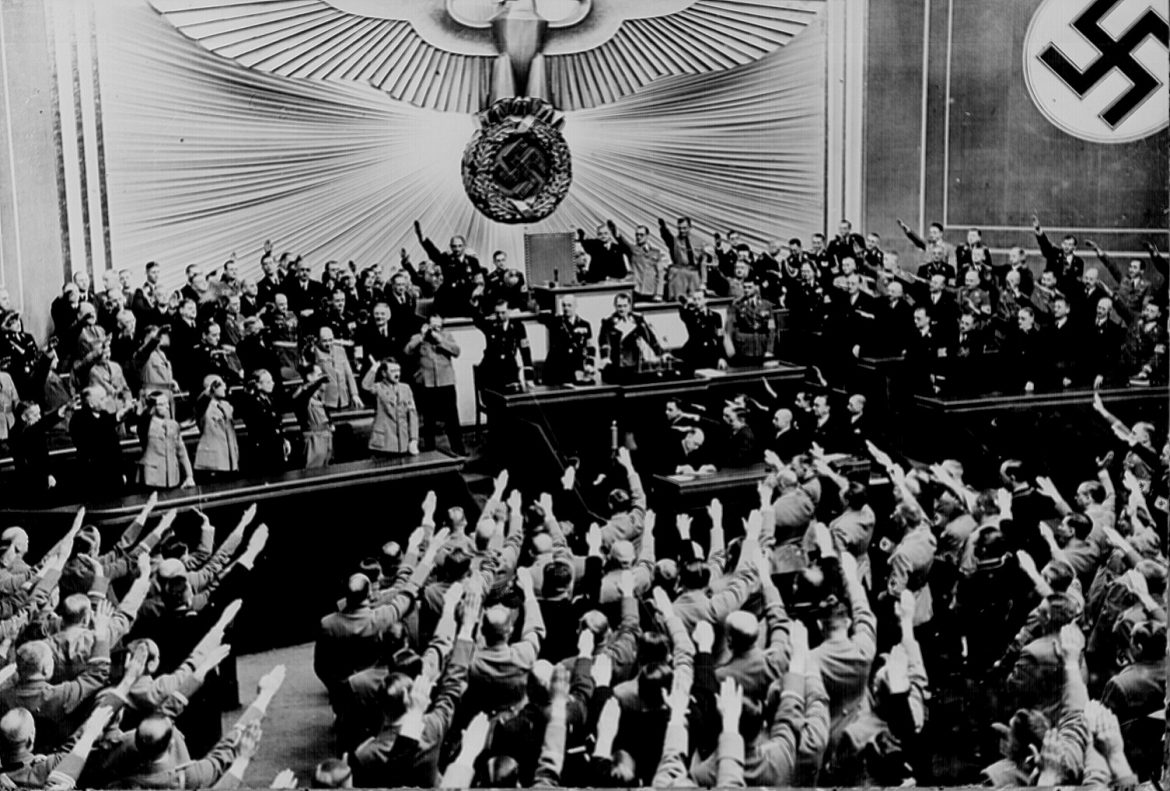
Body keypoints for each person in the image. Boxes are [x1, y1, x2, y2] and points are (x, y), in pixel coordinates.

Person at [404, 314, 464, 455]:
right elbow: (407, 351)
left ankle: (458, 449)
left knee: (452, 418)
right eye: (433, 327)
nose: (435, 330)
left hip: (446, 381)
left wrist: (441, 341)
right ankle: (430, 451)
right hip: (427, 383)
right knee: (428, 419)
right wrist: (421, 337)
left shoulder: (447, 336)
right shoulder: (419, 337)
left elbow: (457, 352)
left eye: (438, 327)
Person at [597, 293, 666, 382]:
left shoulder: (638, 320)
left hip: (635, 365)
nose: (622, 309)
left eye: (625, 306)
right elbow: (604, 342)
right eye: (619, 306)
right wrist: (605, 357)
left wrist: (661, 353)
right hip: (617, 366)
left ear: (629, 306)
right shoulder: (608, 322)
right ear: (615, 306)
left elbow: (651, 339)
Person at [137, 391, 195, 490]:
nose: (167, 407)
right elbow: (143, 419)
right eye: (162, 404)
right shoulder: (146, 424)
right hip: (152, 478)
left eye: (167, 403)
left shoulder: (173, 425)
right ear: (153, 407)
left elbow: (182, 452)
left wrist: (189, 475)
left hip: (172, 477)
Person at [362, 360, 419, 457]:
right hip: (384, 443)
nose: (397, 374)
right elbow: (366, 386)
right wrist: (374, 369)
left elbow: (412, 415)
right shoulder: (378, 387)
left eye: (398, 370)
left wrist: (413, 439)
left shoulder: (406, 388)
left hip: (403, 442)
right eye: (393, 371)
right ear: (384, 373)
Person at [474, 301, 532, 392]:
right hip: (491, 370)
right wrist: (475, 303)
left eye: (503, 312)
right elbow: (477, 320)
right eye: (497, 313)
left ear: (509, 311)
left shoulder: (518, 327)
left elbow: (525, 351)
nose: (500, 316)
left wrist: (529, 377)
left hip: (509, 369)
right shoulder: (490, 324)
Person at [238, 369, 287, 475]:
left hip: (276, 446)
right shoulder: (252, 403)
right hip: (263, 449)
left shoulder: (270, 400)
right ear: (259, 385)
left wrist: (283, 440)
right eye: (268, 382)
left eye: (272, 381)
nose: (272, 384)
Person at [538, 296, 596, 385]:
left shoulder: (585, 324)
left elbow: (590, 347)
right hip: (558, 369)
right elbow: (540, 316)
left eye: (569, 305)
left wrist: (590, 364)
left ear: (576, 306)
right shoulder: (556, 322)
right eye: (564, 305)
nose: (566, 308)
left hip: (576, 369)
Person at [193, 375, 239, 482]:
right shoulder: (203, 407)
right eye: (220, 385)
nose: (225, 387)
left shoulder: (226, 405)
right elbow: (200, 404)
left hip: (230, 460)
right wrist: (209, 391)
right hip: (212, 462)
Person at [724, 277, 775, 365]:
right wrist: (730, 346)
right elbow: (730, 328)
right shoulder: (737, 306)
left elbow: (771, 329)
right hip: (744, 348)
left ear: (756, 287)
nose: (746, 290)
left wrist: (769, 349)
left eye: (749, 287)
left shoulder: (766, 306)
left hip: (761, 347)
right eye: (745, 287)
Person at [308, 326, 361, 410]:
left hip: (343, 398)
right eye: (324, 341)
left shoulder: (341, 350)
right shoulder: (314, 352)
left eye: (330, 340)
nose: (328, 344)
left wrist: (354, 394)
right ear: (319, 341)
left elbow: (349, 374)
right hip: (325, 399)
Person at [678, 290, 726, 370]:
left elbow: (720, 337)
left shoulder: (716, 316)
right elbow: (683, 314)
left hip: (710, 352)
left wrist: (721, 357)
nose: (696, 302)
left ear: (706, 300)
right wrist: (686, 303)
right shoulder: (690, 315)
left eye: (699, 299)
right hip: (694, 353)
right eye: (694, 299)